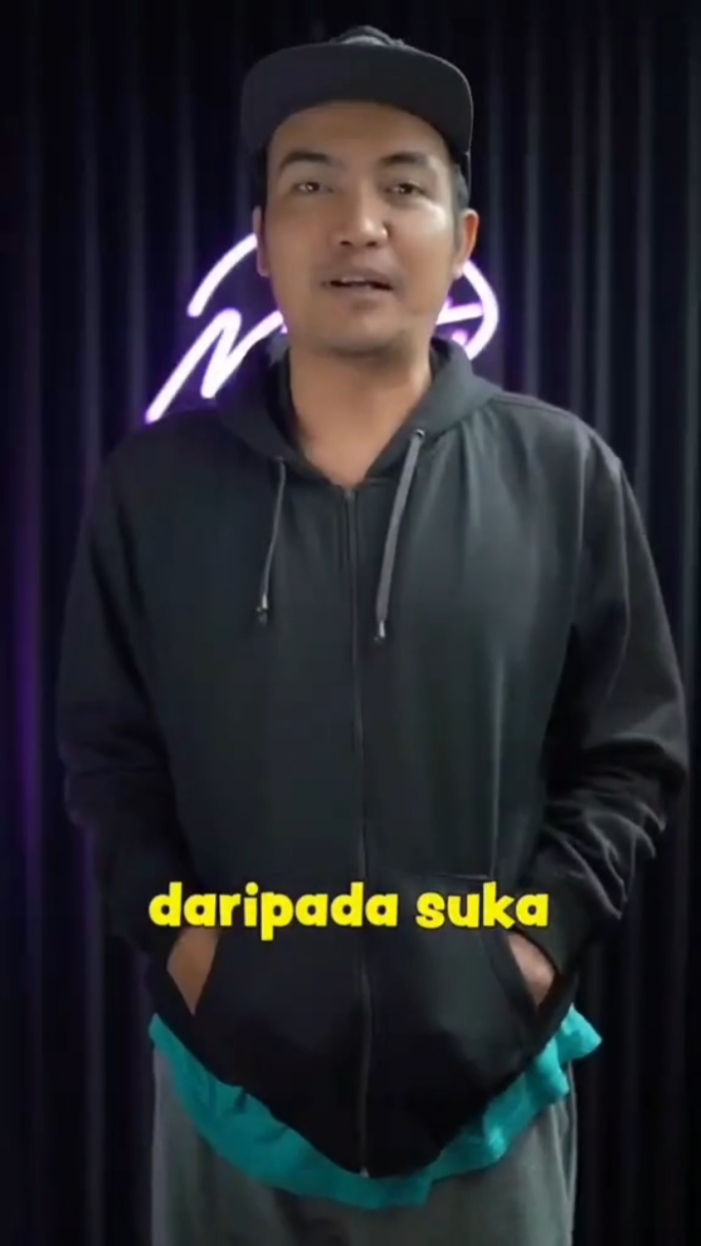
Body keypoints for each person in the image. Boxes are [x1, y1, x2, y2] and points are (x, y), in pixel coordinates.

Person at [56, 25, 688, 1246]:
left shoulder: (560, 473)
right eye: (311, 186)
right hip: (227, 1097)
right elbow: (108, 754)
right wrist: (194, 949)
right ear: (261, 239)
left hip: (490, 1097)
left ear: (462, 238)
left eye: (403, 186)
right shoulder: (152, 491)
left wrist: (527, 951)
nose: (358, 224)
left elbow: (626, 752)